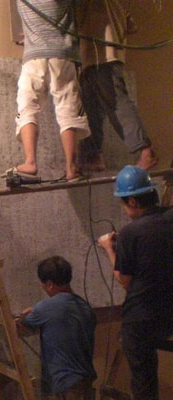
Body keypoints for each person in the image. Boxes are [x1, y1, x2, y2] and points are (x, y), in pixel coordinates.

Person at [98, 165, 173, 400]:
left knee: (144, 382)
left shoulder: (131, 232)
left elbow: (125, 280)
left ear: (132, 201)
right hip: (170, 313)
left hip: (143, 318)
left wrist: (109, 249)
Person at [5, 0, 91, 182]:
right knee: (67, 107)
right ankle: (71, 168)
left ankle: (30, 162)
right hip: (62, 54)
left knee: (27, 106)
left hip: (34, 55)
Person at [78, 0, 157, 172]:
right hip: (93, 55)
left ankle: (145, 151)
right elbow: (131, 25)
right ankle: (94, 156)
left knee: (116, 103)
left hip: (101, 54)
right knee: (91, 108)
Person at [16, 256, 97, 399]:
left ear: (49, 284)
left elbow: (20, 326)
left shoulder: (45, 308)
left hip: (65, 383)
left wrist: (28, 314)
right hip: (85, 381)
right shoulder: (85, 307)